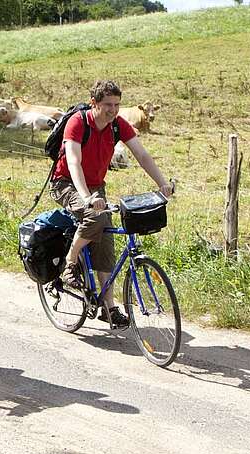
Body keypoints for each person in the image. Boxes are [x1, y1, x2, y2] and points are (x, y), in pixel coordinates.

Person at [52, 80, 175, 327]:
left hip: (96, 187)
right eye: (107, 104)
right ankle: (70, 262)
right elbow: (74, 162)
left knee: (105, 241)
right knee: (95, 218)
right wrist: (86, 197)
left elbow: (141, 155)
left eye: (117, 105)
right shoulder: (78, 123)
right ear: (94, 103)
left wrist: (163, 183)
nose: (113, 110)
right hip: (67, 183)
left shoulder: (117, 125)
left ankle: (109, 308)